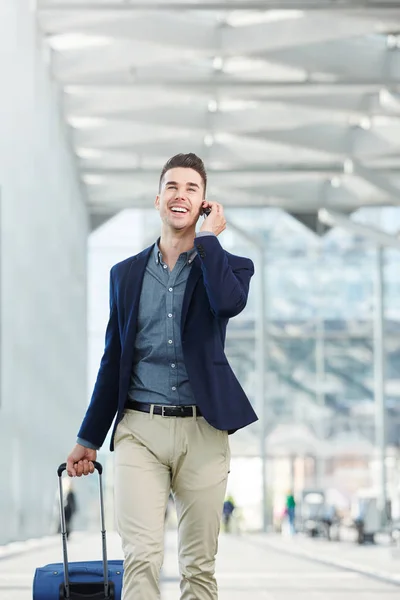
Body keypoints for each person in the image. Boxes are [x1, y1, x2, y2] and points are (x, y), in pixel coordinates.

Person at [66, 152, 258, 600]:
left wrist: (209, 242)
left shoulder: (231, 268)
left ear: (206, 206)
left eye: (193, 190)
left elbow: (228, 305)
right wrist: (88, 438)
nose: (181, 195)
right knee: (141, 559)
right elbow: (113, 358)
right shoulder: (126, 275)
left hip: (204, 429)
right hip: (140, 429)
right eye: (172, 186)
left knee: (199, 568)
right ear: (158, 199)